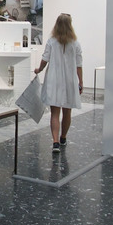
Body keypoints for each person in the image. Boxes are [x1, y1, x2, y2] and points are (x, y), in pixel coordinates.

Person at [34, 13, 83, 154]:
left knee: (55, 113)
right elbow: (79, 65)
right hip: (69, 80)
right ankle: (63, 138)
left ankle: (55, 142)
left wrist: (39, 69)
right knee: (67, 111)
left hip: (54, 80)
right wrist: (81, 81)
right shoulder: (75, 43)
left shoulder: (51, 41)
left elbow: (45, 59)